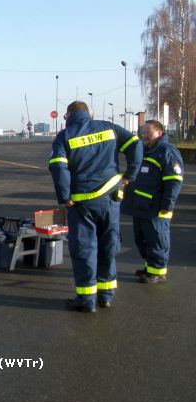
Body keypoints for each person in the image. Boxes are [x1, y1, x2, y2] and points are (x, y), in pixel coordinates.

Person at [49, 101, 142, 313]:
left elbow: (59, 169)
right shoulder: (109, 128)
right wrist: (130, 175)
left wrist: (65, 197)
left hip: (81, 203)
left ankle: (86, 300)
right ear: (89, 113)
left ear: (68, 115)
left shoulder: (65, 137)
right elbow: (136, 144)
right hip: (110, 200)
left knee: (84, 249)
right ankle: (106, 295)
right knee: (108, 246)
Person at [125, 120, 184, 284]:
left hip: (157, 208)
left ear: (159, 133)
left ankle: (158, 273)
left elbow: (174, 181)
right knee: (142, 239)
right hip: (141, 207)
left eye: (148, 134)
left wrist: (167, 205)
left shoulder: (167, 152)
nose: (145, 137)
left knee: (157, 239)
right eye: (144, 133)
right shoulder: (145, 150)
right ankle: (150, 267)